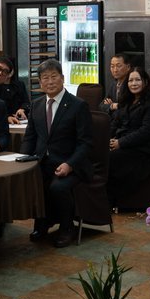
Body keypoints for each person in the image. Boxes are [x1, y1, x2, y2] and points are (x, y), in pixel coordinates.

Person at [19, 59, 92, 248]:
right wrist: (23, 160)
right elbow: (30, 138)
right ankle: (42, 223)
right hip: (43, 162)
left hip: (72, 164)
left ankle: (67, 228)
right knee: (33, 183)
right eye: (45, 78)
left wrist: (70, 164)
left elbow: (85, 143)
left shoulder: (78, 105)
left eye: (54, 77)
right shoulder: (36, 105)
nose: (50, 81)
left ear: (62, 78)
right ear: (40, 82)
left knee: (58, 188)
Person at [105, 67, 150, 207]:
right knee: (98, 153)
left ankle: (111, 200)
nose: (134, 83)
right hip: (124, 143)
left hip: (142, 150)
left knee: (109, 159)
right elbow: (116, 122)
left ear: (145, 81)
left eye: (137, 80)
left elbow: (146, 131)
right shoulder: (127, 99)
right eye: (130, 80)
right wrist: (107, 139)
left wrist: (120, 142)